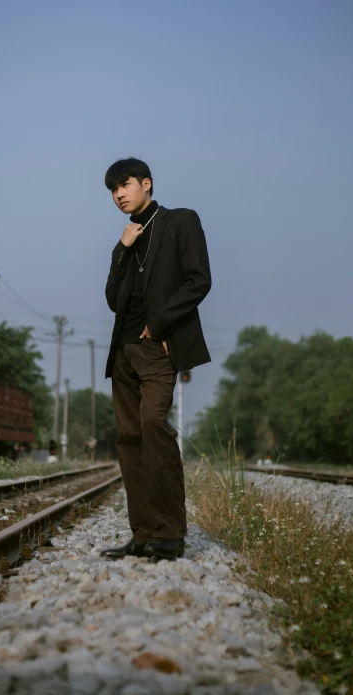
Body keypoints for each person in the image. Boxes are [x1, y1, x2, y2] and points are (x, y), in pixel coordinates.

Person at [100, 158, 211, 562]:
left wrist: (159, 326)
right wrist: (120, 249)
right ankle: (143, 533)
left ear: (146, 183)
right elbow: (114, 300)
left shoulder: (181, 221)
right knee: (130, 440)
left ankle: (170, 533)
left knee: (154, 429)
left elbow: (199, 280)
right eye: (113, 190)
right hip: (123, 352)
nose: (118, 194)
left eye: (124, 185)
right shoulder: (128, 237)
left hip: (157, 347)